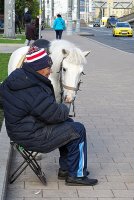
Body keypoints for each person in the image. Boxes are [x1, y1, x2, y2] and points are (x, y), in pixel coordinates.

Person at [0, 46, 98, 186]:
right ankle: (77, 175)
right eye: (48, 67)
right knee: (78, 129)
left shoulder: (16, 78)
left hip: (19, 131)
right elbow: (55, 115)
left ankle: (67, 169)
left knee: (68, 124)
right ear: (38, 68)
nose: (51, 71)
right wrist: (66, 104)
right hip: (32, 136)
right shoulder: (33, 89)